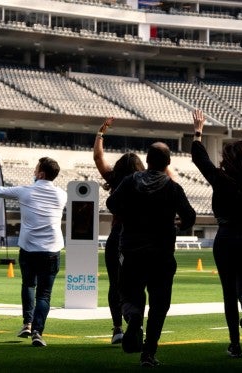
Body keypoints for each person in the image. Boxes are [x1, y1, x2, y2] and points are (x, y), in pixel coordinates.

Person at [191, 109, 242, 358]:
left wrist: (198, 132)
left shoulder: (221, 178)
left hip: (225, 237)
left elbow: (200, 159)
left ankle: (235, 345)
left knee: (228, 292)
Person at [106, 142, 196, 367]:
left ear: (147, 161)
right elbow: (190, 216)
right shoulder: (173, 188)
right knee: (159, 304)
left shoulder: (130, 181)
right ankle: (148, 353)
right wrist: (178, 224)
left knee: (128, 294)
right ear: (168, 163)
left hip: (132, 251)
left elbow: (111, 203)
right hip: (162, 254)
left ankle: (133, 316)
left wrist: (129, 214)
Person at [0, 157, 67, 347]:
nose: (34, 172)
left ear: (41, 173)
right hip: (51, 249)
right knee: (44, 294)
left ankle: (27, 324)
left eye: (36, 169)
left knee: (28, 285)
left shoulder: (25, 191)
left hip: (29, 248)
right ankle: (37, 331)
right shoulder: (62, 194)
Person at [93, 117, 145, 344]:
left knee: (115, 283)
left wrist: (100, 134)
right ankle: (137, 322)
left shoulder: (115, 180)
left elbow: (98, 158)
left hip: (117, 235)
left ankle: (117, 328)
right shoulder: (147, 182)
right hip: (140, 237)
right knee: (138, 283)